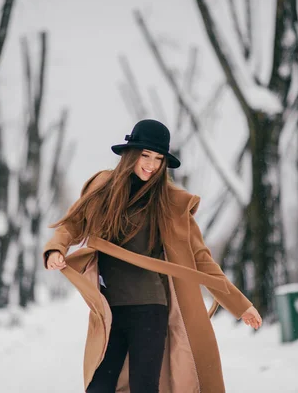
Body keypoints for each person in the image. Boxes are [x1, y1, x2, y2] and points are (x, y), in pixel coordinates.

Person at [43, 119, 262, 393]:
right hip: (110, 309)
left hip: (150, 309)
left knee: (144, 387)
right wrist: (56, 248)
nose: (151, 164)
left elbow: (201, 259)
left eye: (159, 158)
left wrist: (240, 305)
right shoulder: (104, 189)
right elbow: (73, 224)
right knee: (99, 386)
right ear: (130, 154)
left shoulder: (170, 203)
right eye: (145, 155)